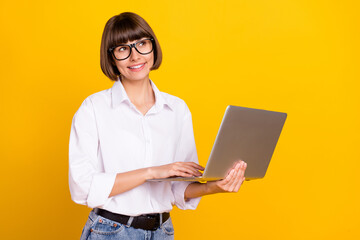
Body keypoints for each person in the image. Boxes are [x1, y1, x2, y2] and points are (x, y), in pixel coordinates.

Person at [69, 12, 247, 240]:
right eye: (123, 49)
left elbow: (178, 187)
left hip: (162, 232)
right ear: (111, 57)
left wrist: (216, 186)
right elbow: (83, 187)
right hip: (111, 231)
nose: (135, 56)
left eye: (142, 44)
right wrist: (152, 172)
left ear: (153, 47)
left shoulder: (177, 109)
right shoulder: (93, 108)